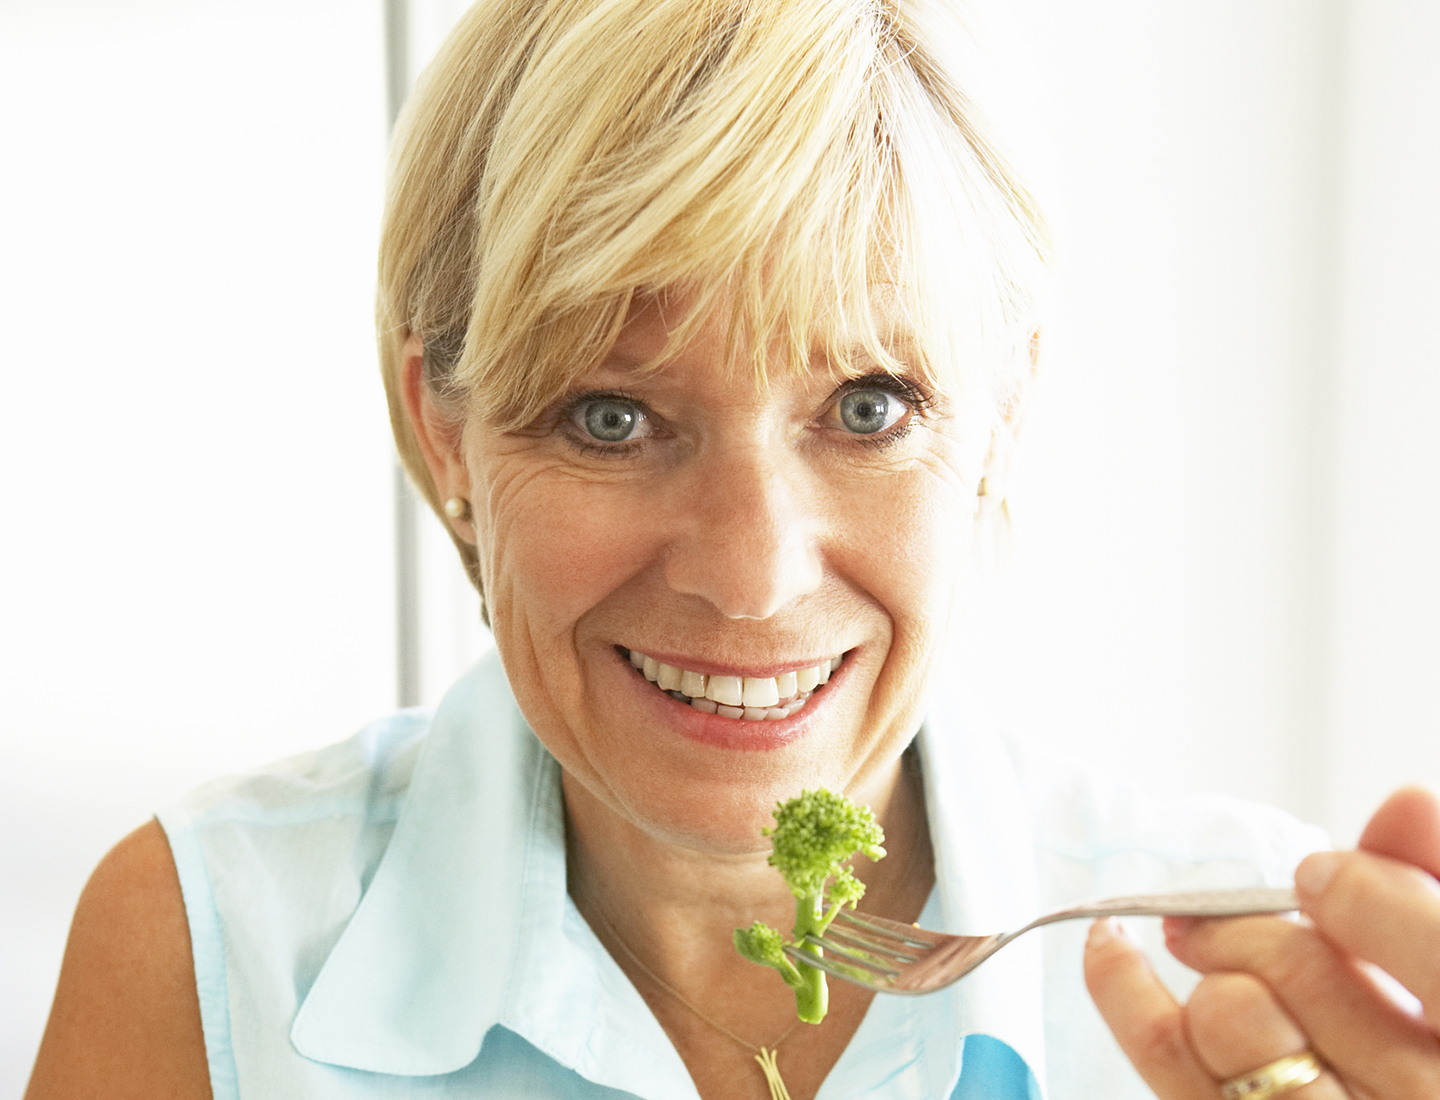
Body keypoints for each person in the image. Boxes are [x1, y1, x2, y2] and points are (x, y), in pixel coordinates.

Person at [25, 1, 1440, 1098]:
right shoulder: (211, 949)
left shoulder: (1256, 987)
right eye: (614, 415)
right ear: (446, 434)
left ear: (1001, 416)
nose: (753, 573)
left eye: (868, 408)